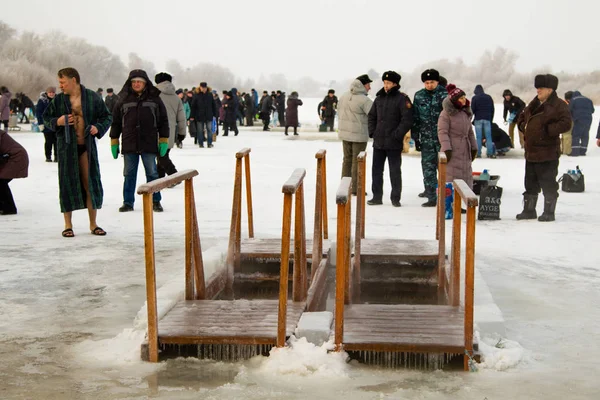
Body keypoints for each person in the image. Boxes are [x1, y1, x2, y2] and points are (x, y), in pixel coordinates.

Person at [43, 67, 112, 236]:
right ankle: (68, 225)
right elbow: (46, 118)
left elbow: (107, 116)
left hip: (86, 147)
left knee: (90, 184)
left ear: (73, 80)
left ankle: (93, 224)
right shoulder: (59, 100)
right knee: (67, 185)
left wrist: (98, 127)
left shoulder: (91, 97)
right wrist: (58, 121)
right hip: (66, 148)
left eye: (63, 82)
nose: (60, 86)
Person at [110, 69, 169, 213]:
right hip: (129, 143)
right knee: (129, 174)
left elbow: (163, 120)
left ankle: (156, 201)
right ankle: (128, 202)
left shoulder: (154, 98)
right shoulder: (123, 99)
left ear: (145, 83)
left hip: (148, 142)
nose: (136, 84)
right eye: (134, 82)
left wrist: (163, 139)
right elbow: (116, 122)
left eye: (139, 82)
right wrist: (114, 140)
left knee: (152, 173)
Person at [516, 74, 571, 222]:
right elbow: (522, 117)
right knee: (530, 183)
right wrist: (523, 126)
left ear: (550, 89)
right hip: (531, 152)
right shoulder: (534, 104)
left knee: (548, 183)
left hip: (547, 152)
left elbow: (566, 123)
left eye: (541, 88)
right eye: (537, 87)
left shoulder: (559, 105)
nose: (537, 90)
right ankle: (529, 210)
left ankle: (549, 212)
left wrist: (547, 130)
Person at [367, 71, 413, 207]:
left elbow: (407, 120)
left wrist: (397, 135)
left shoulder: (402, 99)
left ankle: (395, 198)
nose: (386, 85)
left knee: (394, 171)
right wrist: (372, 132)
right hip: (379, 142)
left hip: (394, 143)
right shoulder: (379, 98)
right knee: (376, 170)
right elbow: (371, 116)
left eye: (388, 83)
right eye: (384, 83)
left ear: (395, 84)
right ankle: (376, 197)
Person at [412, 69, 448, 207]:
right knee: (428, 169)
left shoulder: (445, 95)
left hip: (442, 140)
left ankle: (446, 196)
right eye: (426, 83)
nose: (429, 85)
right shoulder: (419, 96)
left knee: (445, 168)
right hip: (426, 139)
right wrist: (416, 138)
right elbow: (415, 118)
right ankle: (431, 196)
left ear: (437, 82)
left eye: (432, 82)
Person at [337, 74, 373, 195]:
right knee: (357, 161)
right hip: (359, 135)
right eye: (368, 85)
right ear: (363, 85)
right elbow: (373, 116)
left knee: (346, 160)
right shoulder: (365, 100)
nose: (370, 88)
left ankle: (344, 186)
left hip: (345, 134)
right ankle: (356, 189)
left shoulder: (344, 96)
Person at [438, 84, 478, 191]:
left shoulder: (465, 113)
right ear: (455, 100)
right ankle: (450, 204)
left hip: (465, 149)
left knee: (466, 174)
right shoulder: (445, 114)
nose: (464, 100)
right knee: (452, 176)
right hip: (452, 150)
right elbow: (442, 132)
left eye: (464, 97)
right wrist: (447, 149)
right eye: (461, 98)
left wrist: (474, 147)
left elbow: (470, 133)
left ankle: (464, 205)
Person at [155, 72, 186, 179]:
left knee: (161, 156)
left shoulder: (154, 95)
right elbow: (182, 118)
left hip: (156, 130)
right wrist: (182, 133)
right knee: (163, 155)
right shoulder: (176, 97)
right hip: (170, 131)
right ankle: (160, 178)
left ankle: (174, 176)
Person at [0, 130, 29, 215]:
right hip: (8, 158)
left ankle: (9, 208)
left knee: (1, 182)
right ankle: (3, 206)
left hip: (16, 158)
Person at [471, 84, 495, 158]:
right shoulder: (488, 97)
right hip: (487, 119)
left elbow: (472, 109)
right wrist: (491, 119)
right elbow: (492, 109)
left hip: (478, 119)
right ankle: (490, 153)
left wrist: (472, 118)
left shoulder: (475, 98)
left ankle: (478, 153)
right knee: (488, 137)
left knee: (479, 137)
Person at [568, 90, 595, 156]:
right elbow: (592, 110)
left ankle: (575, 152)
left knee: (576, 135)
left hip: (578, 119)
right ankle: (583, 152)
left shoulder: (573, 100)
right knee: (585, 135)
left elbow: (569, 110)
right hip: (588, 119)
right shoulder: (588, 100)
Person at [35, 86, 57, 162]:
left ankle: (57, 156)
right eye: (50, 92)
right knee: (48, 141)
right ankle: (48, 156)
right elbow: (38, 112)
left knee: (56, 141)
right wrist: (40, 123)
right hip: (46, 125)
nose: (51, 94)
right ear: (47, 93)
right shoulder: (42, 101)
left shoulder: (57, 100)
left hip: (56, 124)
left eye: (53, 92)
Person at [561, 91, 574, 156]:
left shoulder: (562, 103)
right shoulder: (568, 104)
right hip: (567, 121)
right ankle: (567, 151)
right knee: (567, 136)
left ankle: (562, 149)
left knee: (564, 136)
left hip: (562, 121)